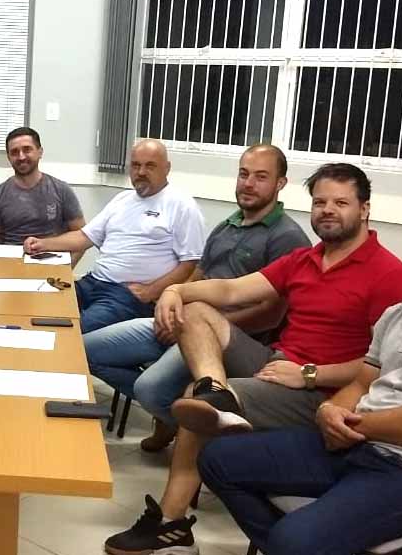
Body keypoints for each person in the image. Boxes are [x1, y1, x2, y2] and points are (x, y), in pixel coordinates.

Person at [104, 163, 402, 555]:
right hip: (277, 365)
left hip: (323, 392)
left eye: (340, 203)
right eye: (320, 202)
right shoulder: (305, 259)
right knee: (198, 313)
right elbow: (232, 291)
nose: (327, 210)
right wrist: (176, 292)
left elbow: (385, 366)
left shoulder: (389, 275)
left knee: (196, 403)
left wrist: (308, 374)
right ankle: (216, 390)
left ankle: (171, 525)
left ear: (364, 209)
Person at [199, 199, 402, 555]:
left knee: (294, 540)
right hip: (356, 447)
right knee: (218, 459)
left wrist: (358, 425)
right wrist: (329, 411)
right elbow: (361, 383)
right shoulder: (396, 315)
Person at [84, 144, 310, 452]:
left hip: (226, 339)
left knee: (149, 388)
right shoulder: (227, 225)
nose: (248, 183)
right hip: (182, 321)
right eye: (243, 174)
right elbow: (196, 274)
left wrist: (198, 325)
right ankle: (171, 413)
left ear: (280, 183)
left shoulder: (287, 237)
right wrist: (173, 309)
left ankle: (191, 422)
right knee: (84, 350)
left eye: (260, 177)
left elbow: (272, 315)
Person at [24, 139, 206, 333]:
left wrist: (151, 291)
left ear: (167, 168)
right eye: (135, 165)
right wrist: (42, 244)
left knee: (72, 330)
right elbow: (84, 237)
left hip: (125, 296)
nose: (141, 172)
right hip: (92, 282)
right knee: (37, 308)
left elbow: (190, 263)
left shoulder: (182, 205)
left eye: (150, 166)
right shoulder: (123, 199)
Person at [0, 126, 85, 255]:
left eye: (27, 150)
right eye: (14, 152)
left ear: (40, 152)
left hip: (51, 261)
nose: (21, 157)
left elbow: (82, 238)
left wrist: (67, 267)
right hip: (9, 263)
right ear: (8, 157)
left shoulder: (61, 190)